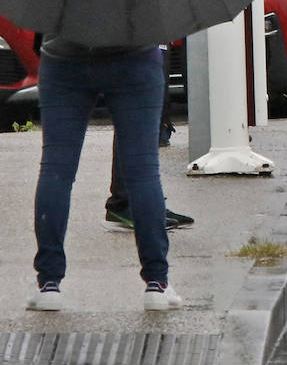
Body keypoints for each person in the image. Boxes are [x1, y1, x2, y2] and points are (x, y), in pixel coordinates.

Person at [31, 40, 183, 311]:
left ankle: (48, 283)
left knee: (56, 171)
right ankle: (156, 282)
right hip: (134, 56)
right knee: (143, 173)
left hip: (63, 56)